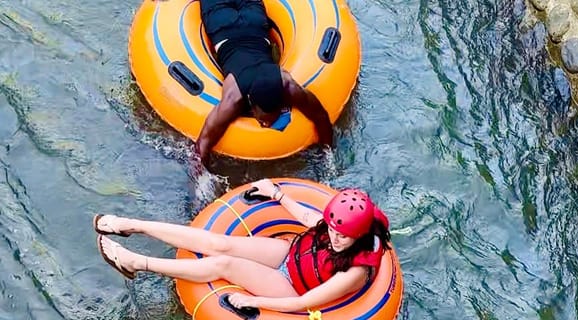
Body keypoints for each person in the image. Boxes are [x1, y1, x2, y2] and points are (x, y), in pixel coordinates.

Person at [93, 179, 390, 312]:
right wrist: (277, 194)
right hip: (291, 255)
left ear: (359, 236)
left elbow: (303, 303)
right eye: (333, 231)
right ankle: (133, 225)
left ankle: (137, 263)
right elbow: (309, 218)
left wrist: (255, 302)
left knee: (225, 264)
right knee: (219, 243)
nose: (335, 238)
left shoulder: (355, 271)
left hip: (294, 287)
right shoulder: (336, 226)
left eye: (343, 236)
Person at [194, 0, 334, 164]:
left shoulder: (288, 86)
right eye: (264, 120)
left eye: (267, 121)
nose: (265, 124)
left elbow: (321, 116)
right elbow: (202, 145)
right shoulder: (233, 98)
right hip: (227, 23)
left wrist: (327, 156)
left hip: (245, 21)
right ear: (251, 103)